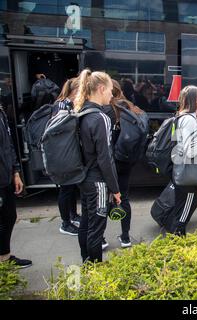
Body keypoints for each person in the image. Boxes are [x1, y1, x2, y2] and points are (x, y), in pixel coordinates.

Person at [74, 69, 121, 263]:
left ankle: (86, 262)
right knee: (96, 228)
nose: (112, 95)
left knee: (86, 223)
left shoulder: (82, 112)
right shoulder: (101, 118)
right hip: (98, 183)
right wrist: (115, 189)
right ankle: (95, 270)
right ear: (101, 89)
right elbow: (106, 158)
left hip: (85, 179)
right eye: (110, 90)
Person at [103, 79, 146, 248]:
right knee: (124, 197)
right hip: (126, 160)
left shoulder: (107, 109)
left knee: (105, 198)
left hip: (110, 160)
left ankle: (100, 238)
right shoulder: (130, 107)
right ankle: (126, 237)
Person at [169, 85, 197, 235]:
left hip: (185, 174)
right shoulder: (188, 120)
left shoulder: (185, 117)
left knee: (180, 213)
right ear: (195, 99)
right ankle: (178, 248)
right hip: (189, 178)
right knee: (182, 218)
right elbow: (191, 150)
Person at [0, 103, 32, 268]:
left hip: (6, 176)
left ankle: (4, 257)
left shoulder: (1, 112)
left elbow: (8, 145)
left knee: (9, 216)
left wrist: (16, 172)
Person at [52, 77, 82, 236]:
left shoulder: (67, 104)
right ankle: (65, 223)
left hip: (68, 151)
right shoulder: (62, 105)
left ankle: (73, 215)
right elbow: (60, 130)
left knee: (70, 186)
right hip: (63, 152)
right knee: (65, 188)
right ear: (75, 90)